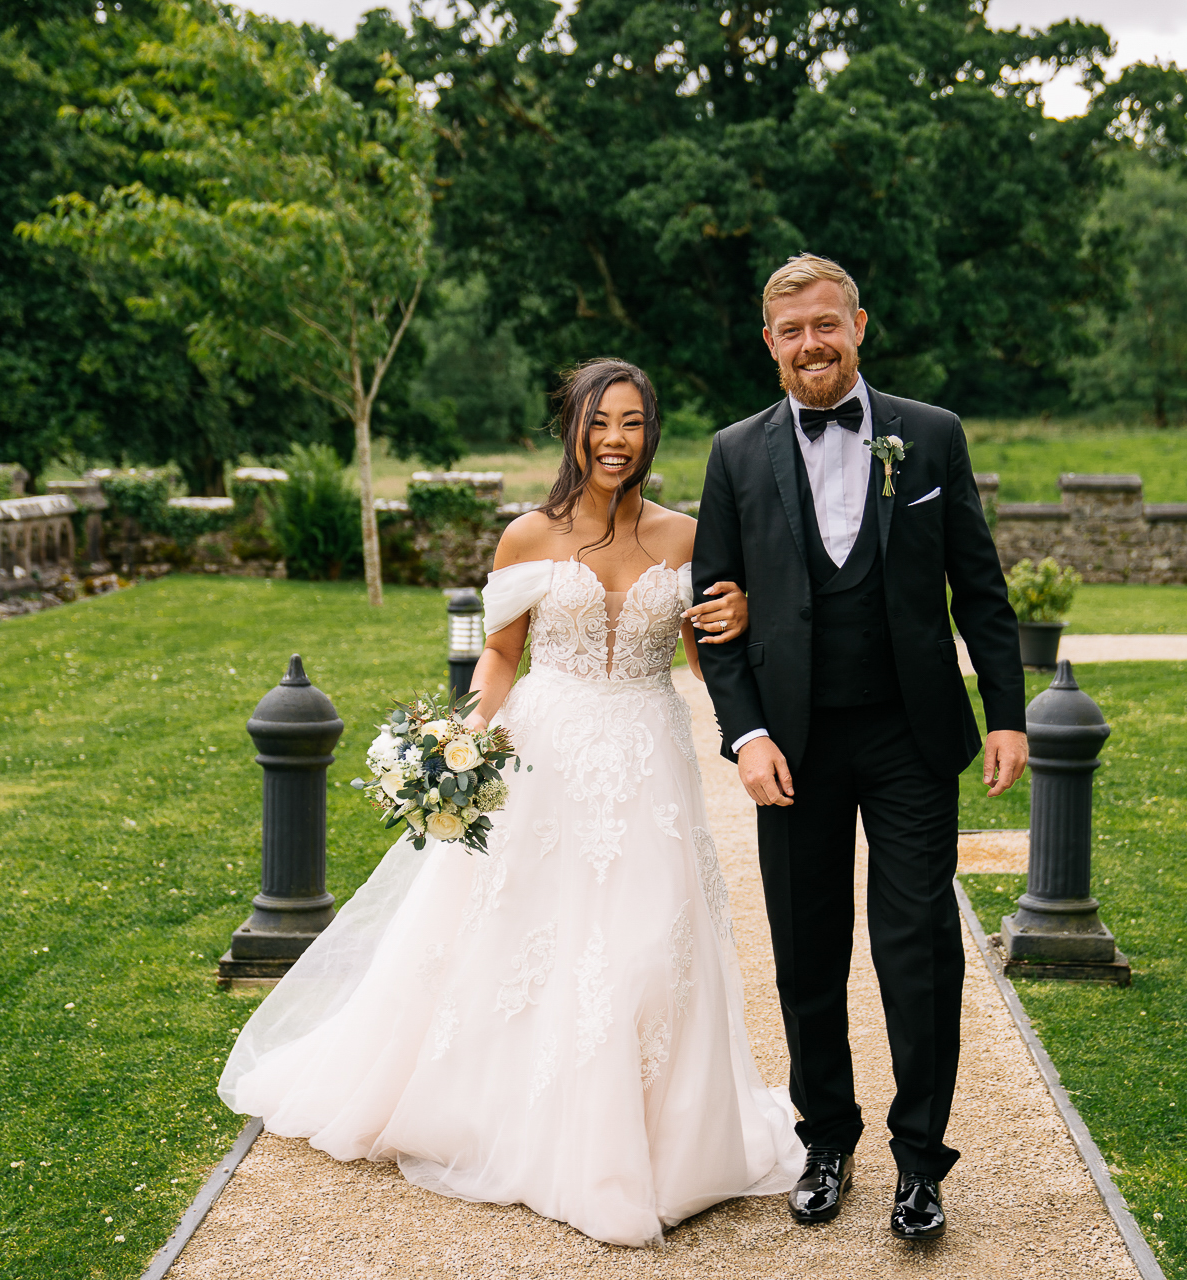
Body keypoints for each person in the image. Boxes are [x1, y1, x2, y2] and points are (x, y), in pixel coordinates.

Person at [219, 358, 804, 1248]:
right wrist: (463, 740)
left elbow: (704, 662)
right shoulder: (528, 536)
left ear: (654, 433)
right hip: (547, 755)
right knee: (531, 937)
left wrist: (741, 646)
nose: (617, 440)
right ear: (571, 428)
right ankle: (528, 1123)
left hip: (649, 760)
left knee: (650, 945)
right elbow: (499, 656)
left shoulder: (687, 537)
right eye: (600, 421)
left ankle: (653, 1145)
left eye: (635, 423)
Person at [691, 254, 1028, 1241]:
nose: (811, 345)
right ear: (769, 342)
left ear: (860, 324)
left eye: (826, 325)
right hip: (792, 746)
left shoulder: (930, 435)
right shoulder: (735, 453)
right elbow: (713, 614)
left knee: (918, 949)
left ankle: (922, 1161)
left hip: (908, 734)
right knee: (806, 948)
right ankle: (826, 1139)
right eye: (791, 331)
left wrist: (1005, 711)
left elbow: (981, 584)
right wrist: (744, 732)